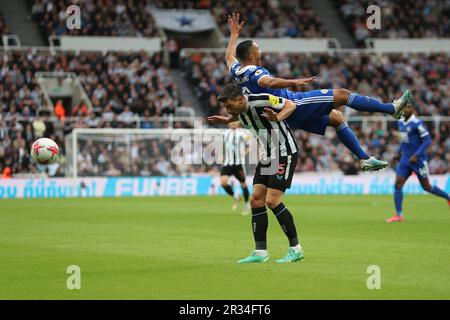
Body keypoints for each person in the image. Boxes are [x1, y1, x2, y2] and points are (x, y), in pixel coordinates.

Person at [225, 13, 412, 171]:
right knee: (342, 94)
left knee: (337, 118)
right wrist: (294, 81)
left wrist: (234, 34)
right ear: (251, 56)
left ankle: (364, 158)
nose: (260, 51)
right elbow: (270, 81)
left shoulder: (237, 71)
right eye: (257, 49)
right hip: (294, 104)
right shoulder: (253, 71)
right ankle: (391, 109)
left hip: (288, 115)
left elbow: (228, 56)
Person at [208, 83, 303, 264]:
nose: (228, 110)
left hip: (284, 152)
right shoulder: (238, 110)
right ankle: (260, 252)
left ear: (240, 99)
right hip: (266, 156)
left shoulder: (262, 100)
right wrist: (226, 120)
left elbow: (291, 105)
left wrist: (278, 117)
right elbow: (236, 115)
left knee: (272, 200)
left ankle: (296, 249)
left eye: (229, 105)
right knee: (256, 200)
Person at [386, 104, 449, 222]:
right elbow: (404, 141)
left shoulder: (417, 123)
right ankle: (398, 215)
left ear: (413, 110)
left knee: (426, 186)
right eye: (404, 107)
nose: (406, 110)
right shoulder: (400, 123)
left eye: (408, 107)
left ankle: (447, 197)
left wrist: (416, 154)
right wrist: (398, 153)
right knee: (398, 184)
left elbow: (428, 140)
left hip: (418, 160)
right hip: (405, 160)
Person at [221, 121, 251, 215]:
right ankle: (236, 196)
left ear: (238, 122)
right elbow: (223, 146)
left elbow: (250, 146)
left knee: (243, 184)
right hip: (228, 163)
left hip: (239, 164)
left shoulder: (244, 133)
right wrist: (222, 155)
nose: (232, 124)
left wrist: (245, 152)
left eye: (234, 122)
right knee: (223, 182)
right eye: (230, 122)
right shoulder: (225, 133)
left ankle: (246, 204)